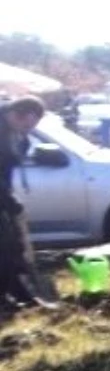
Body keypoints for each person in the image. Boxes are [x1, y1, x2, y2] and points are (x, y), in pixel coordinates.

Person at [0, 96, 54, 310]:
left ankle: (19, 293)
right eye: (27, 124)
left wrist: (11, 200)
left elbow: (6, 173)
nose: (28, 130)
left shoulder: (21, 139)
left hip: (3, 195)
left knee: (14, 245)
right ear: (16, 114)